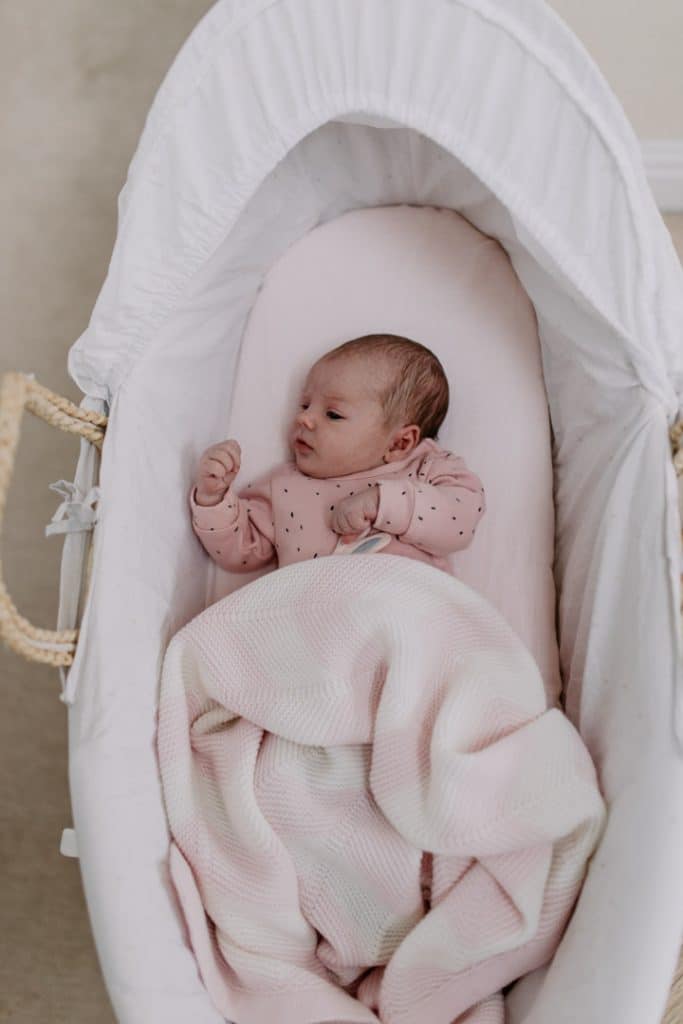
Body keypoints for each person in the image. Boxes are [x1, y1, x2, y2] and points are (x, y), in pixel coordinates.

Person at [189, 333, 486, 574]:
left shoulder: (426, 467)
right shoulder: (283, 486)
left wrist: (385, 502)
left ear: (399, 443)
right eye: (305, 405)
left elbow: (460, 521)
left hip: (408, 606)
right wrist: (213, 499)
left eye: (333, 414)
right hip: (319, 621)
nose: (304, 419)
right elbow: (241, 552)